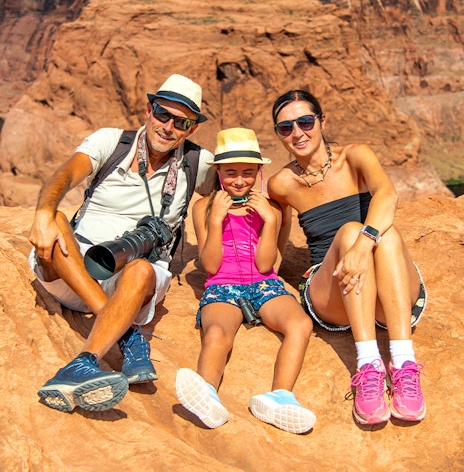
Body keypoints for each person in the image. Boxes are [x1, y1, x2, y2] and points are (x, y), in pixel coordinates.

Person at [29, 73, 216, 413]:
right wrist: (43, 212)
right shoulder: (111, 143)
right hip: (73, 266)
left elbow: (240, 179)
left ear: (192, 128)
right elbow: (65, 175)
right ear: (148, 109)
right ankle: (129, 334)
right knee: (56, 221)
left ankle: (82, 364)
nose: (168, 127)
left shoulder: (196, 163)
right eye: (162, 114)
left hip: (130, 279)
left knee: (142, 270)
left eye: (181, 122)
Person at [268, 89, 427, 426]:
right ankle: (368, 366)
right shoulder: (281, 183)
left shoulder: (356, 156)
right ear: (279, 135)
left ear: (322, 121)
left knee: (382, 232)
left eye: (305, 121)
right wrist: (264, 281)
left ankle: (403, 364)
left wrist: (361, 246)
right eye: (285, 128)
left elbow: (387, 194)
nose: (297, 133)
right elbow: (277, 237)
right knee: (350, 230)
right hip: (331, 292)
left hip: (387, 290)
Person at [175, 127, 316, 434]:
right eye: (231, 173)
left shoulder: (270, 209)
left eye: (248, 173)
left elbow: (267, 264)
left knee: (300, 325)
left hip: (263, 283)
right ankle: (207, 394)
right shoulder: (204, 207)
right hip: (222, 285)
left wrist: (269, 220)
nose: (239, 181)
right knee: (216, 332)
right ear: (218, 172)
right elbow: (210, 265)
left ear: (259, 172)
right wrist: (215, 220)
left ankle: (280, 397)